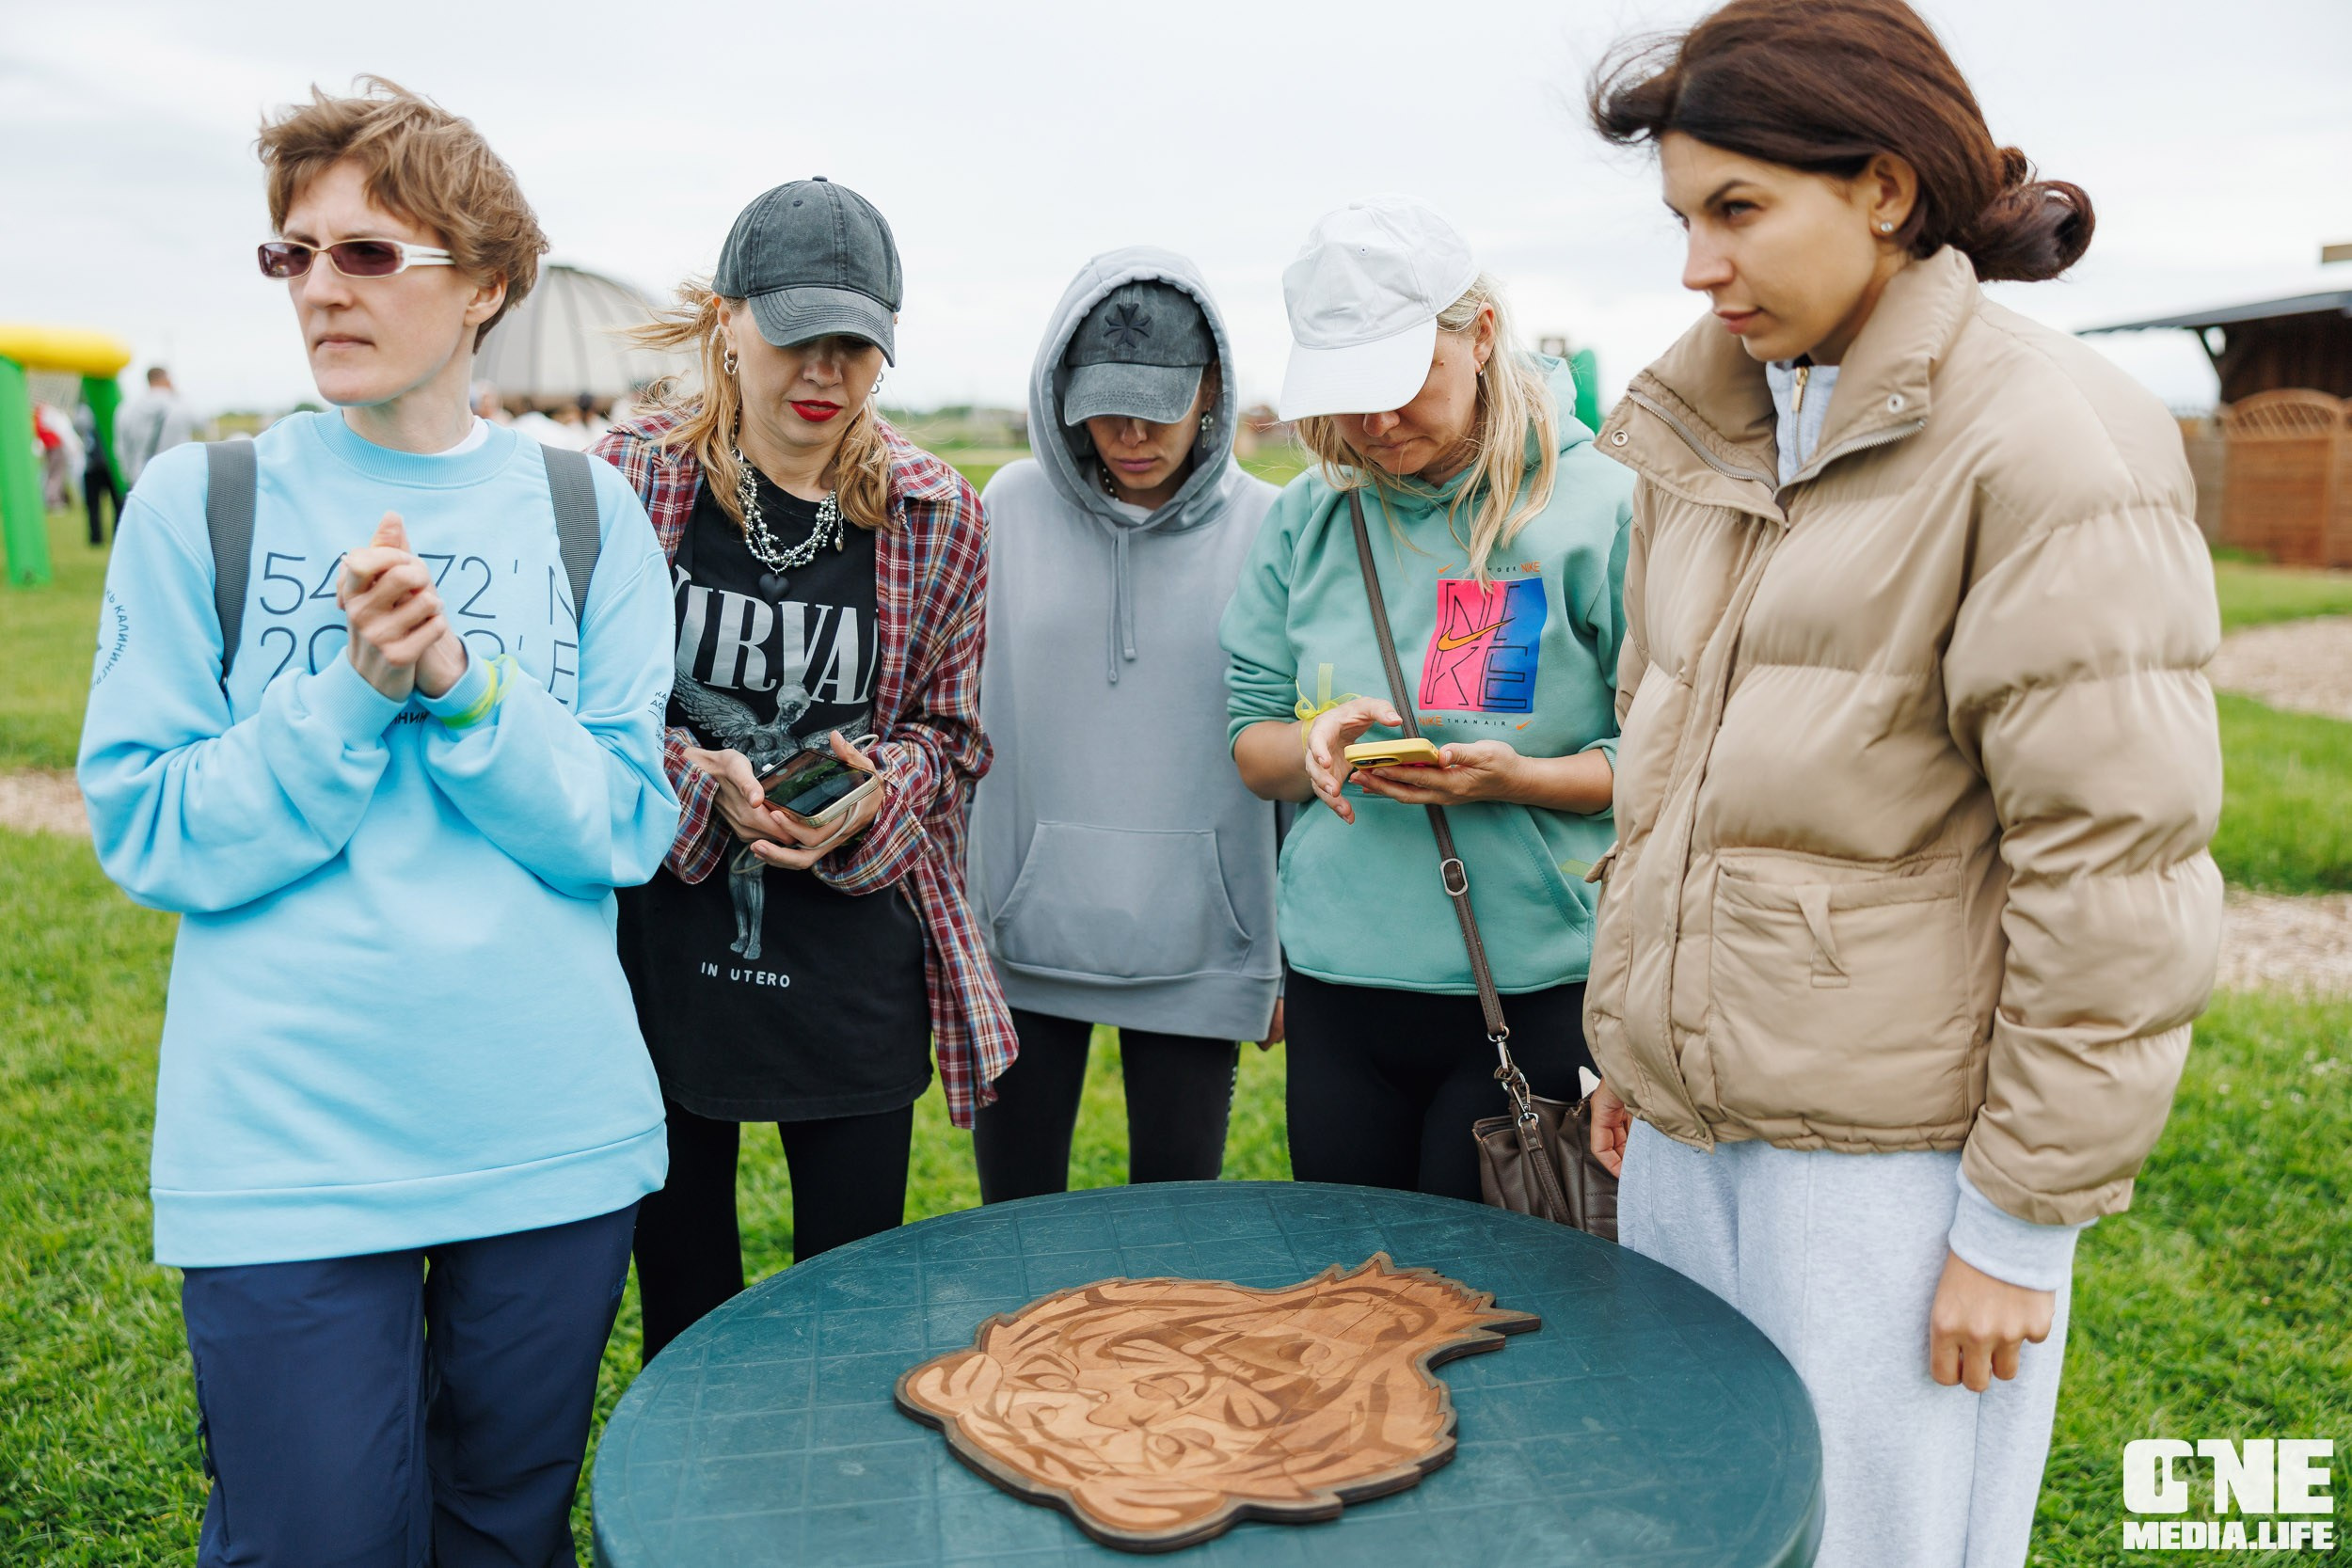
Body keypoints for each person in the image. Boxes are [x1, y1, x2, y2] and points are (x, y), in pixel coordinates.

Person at [1579, 4, 2223, 1563]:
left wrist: (2018, 1225)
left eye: (1736, 210)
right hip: (1683, 1138)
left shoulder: (2053, 441)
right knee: (1708, 1530)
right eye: (1680, 218)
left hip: (1893, 1179)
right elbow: (1673, 774)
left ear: (1880, 188)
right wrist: (1642, 1054)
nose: (1695, 267)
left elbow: (2114, 875)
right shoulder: (1705, 431)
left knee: (1881, 1546)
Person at [76, 79, 678, 1566]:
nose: (319, 286)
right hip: (285, 1148)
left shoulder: (587, 511)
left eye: (368, 253)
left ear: (485, 283)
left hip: (549, 1133)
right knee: (319, 1540)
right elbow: (151, 827)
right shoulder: (196, 501)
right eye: (295, 253)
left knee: (504, 1531)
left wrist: (467, 692)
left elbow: (625, 823)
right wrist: (349, 693)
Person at [596, 177, 1013, 1363]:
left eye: (853, 345)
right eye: (792, 338)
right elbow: (585, 711)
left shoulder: (941, 516)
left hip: (849, 973)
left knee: (850, 1305)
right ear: (726, 319)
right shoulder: (627, 480)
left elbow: (953, 737)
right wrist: (695, 777)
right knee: (682, 1296)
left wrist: (875, 790)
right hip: (665, 961)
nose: (820, 375)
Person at [1223, 196, 1634, 1201]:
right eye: (1346, 391)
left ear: (1481, 335)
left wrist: (1517, 777)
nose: (1374, 422)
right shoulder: (1307, 519)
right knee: (1355, 1300)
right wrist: (1311, 742)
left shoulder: (1600, 508)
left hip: (1527, 985)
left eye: (1400, 382)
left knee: (1493, 1314)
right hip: (1339, 987)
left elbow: (1667, 755)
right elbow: (1251, 740)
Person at [967, 250, 1284, 1202]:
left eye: (1163, 401)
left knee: (1172, 1238)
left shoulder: (1271, 524)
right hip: (1023, 938)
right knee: (1013, 1225)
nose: (1134, 432)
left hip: (1202, 937)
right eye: (1105, 403)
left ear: (1213, 389)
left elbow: (1286, 738)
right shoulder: (1007, 507)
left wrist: (1284, 963)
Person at [116, 364, 198, 484]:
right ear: (166, 379)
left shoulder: (126, 407)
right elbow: (200, 423)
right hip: (174, 476)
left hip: (139, 479)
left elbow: (121, 446)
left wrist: (128, 474)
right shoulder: (176, 403)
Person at [75, 401, 120, 544]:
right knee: (93, 506)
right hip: (93, 465)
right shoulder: (85, 412)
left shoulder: (116, 409)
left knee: (118, 505)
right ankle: (96, 538)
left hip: (109, 465)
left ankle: (116, 536)